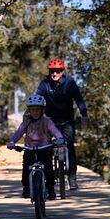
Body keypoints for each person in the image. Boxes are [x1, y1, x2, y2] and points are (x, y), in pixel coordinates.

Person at [35, 58, 88, 190]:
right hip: (51, 121)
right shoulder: (45, 84)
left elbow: (78, 99)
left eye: (57, 71)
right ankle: (49, 178)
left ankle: (72, 179)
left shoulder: (69, 82)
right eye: (52, 71)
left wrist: (84, 115)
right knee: (46, 148)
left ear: (62, 72)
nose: (54, 74)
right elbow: (37, 98)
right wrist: (32, 115)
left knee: (69, 147)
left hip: (67, 120)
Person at [7, 94, 65, 200]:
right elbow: (18, 132)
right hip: (30, 149)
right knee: (26, 168)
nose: (35, 112)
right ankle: (26, 188)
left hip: (45, 148)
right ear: (29, 110)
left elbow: (56, 132)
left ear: (42, 110)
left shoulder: (47, 121)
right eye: (33, 110)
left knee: (48, 168)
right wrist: (12, 141)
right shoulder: (26, 122)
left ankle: (51, 188)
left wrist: (60, 138)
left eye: (37, 110)